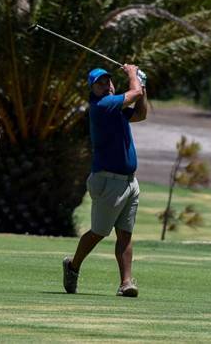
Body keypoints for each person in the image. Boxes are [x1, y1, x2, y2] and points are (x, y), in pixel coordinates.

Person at [63, 64, 147, 297]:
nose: (106, 85)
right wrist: (133, 75)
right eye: (100, 83)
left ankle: (126, 283)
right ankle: (73, 266)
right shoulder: (102, 106)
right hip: (107, 181)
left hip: (129, 181)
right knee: (99, 232)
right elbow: (134, 94)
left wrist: (144, 85)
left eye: (108, 81)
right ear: (93, 88)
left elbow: (140, 113)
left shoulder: (116, 107)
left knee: (125, 233)